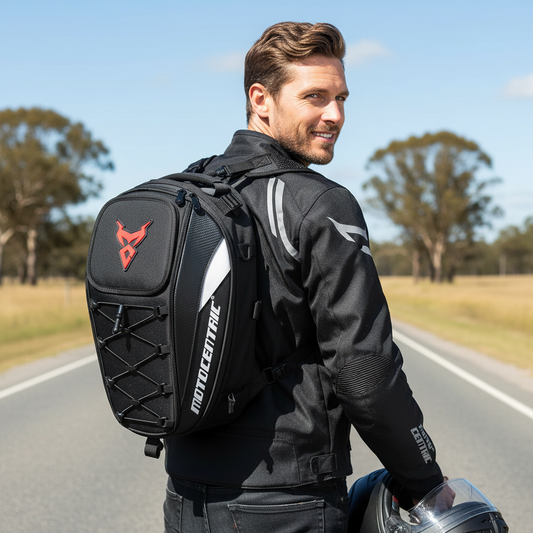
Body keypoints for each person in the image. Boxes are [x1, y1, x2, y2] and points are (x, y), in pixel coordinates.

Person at [163, 22, 444, 532]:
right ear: (261, 99)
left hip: (185, 496)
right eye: (315, 97)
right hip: (287, 501)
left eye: (341, 98)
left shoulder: (191, 192)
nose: (335, 115)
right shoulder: (321, 202)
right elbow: (364, 371)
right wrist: (425, 480)